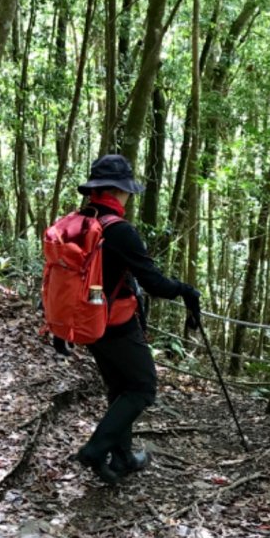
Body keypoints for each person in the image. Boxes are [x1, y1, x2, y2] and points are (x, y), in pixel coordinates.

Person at [62, 154, 201, 484]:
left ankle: (122, 457)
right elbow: (153, 283)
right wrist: (186, 291)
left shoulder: (77, 223)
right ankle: (96, 448)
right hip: (115, 323)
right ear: (119, 191)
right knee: (142, 387)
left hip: (84, 321)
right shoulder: (119, 231)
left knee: (120, 388)